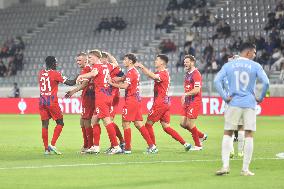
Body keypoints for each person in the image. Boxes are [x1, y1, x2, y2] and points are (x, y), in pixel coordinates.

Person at [214, 42, 269, 176]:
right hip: (249, 103)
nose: (255, 55)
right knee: (249, 134)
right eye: (254, 52)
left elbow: (216, 81)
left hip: (233, 103)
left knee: (228, 133)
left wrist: (225, 97)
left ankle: (225, 166)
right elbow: (266, 82)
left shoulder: (229, 65)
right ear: (248, 52)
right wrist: (260, 97)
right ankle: (245, 169)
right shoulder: (255, 66)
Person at [134, 54, 192, 151]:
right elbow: (151, 75)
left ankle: (153, 147)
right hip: (165, 103)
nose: (155, 61)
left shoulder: (163, 74)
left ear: (162, 62)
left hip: (160, 103)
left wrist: (142, 67)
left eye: (157, 60)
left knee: (148, 125)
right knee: (166, 127)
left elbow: (152, 75)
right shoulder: (162, 73)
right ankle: (185, 144)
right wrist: (142, 69)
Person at [108, 53, 157, 154]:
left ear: (130, 61)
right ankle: (152, 146)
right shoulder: (133, 71)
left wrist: (112, 83)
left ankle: (127, 149)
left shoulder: (131, 72)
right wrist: (120, 78)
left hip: (131, 100)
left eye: (125, 60)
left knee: (125, 123)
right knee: (138, 124)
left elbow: (125, 86)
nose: (123, 61)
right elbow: (126, 79)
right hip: (136, 100)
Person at [76, 50, 122, 155]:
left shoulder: (97, 66)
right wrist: (110, 54)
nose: (89, 60)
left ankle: (116, 146)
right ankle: (95, 147)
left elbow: (94, 73)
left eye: (90, 58)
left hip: (101, 97)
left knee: (107, 121)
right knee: (94, 120)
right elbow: (116, 63)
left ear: (97, 57)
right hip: (107, 95)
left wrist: (81, 76)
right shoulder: (107, 66)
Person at [38, 56, 77, 155]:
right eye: (56, 62)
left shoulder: (41, 73)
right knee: (60, 123)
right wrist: (79, 76)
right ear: (52, 63)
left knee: (44, 125)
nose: (57, 64)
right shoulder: (55, 74)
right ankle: (52, 144)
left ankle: (46, 149)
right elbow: (71, 83)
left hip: (42, 101)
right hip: (51, 101)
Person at [65, 52, 95, 153]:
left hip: (89, 97)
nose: (77, 62)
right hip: (87, 96)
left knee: (86, 120)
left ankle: (90, 146)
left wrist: (73, 91)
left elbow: (85, 83)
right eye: (77, 60)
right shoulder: (85, 69)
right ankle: (86, 144)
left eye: (79, 60)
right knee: (82, 121)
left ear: (85, 60)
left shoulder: (87, 68)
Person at [180, 55, 207, 151]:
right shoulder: (188, 73)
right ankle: (201, 135)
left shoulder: (196, 74)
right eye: (184, 62)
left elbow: (196, 90)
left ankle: (198, 145)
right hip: (187, 101)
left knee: (191, 124)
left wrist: (185, 94)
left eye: (187, 62)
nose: (185, 64)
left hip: (194, 101)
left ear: (192, 62)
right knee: (183, 124)